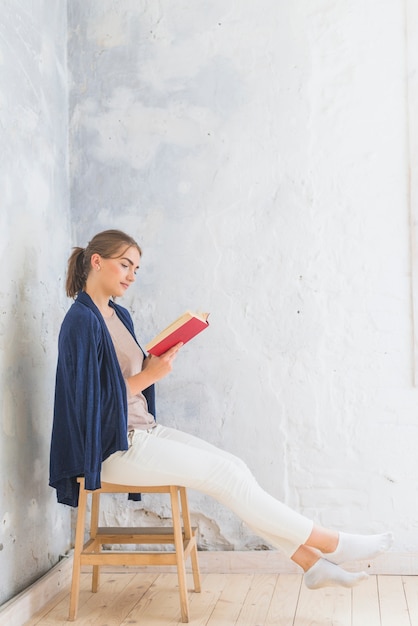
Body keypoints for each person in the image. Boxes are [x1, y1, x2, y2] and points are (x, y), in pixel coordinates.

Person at [49, 229, 392, 590]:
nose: (132, 275)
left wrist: (153, 362)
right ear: (97, 261)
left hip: (141, 431)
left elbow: (121, 378)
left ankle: (311, 564)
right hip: (110, 447)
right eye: (125, 265)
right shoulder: (80, 322)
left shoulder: (118, 316)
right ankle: (332, 543)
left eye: (136, 267)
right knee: (225, 477)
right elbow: (89, 404)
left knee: (235, 468)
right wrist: (149, 376)